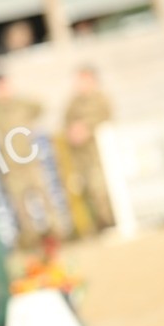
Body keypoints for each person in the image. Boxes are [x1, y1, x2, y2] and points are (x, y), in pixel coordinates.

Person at [0, 72, 65, 248]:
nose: (3, 91)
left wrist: (15, 96)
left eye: (5, 86)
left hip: (31, 162)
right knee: (21, 207)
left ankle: (57, 233)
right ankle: (31, 239)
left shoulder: (22, 104)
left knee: (45, 198)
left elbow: (40, 106)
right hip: (11, 167)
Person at [63, 65, 115, 231]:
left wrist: (87, 129)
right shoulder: (73, 103)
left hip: (101, 153)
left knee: (103, 188)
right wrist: (73, 132)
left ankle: (111, 221)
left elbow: (106, 118)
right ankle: (102, 223)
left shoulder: (101, 99)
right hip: (82, 157)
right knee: (89, 190)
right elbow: (66, 123)